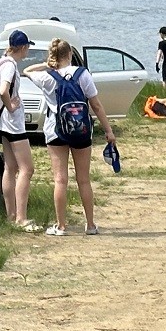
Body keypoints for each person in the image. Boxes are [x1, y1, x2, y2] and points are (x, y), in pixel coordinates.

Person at [24, 39, 117, 237]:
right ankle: (90, 225)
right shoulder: (83, 75)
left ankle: (61, 226)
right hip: (81, 130)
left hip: (55, 130)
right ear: (70, 55)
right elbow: (97, 106)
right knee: (84, 180)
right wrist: (108, 130)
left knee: (60, 180)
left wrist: (46, 65)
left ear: (53, 56)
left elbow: (26, 70)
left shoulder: (46, 77)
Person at [0, 29, 40, 232]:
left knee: (10, 168)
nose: (28, 50)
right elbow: (4, 90)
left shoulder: (2, 61)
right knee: (27, 169)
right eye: (27, 46)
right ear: (22, 47)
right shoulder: (10, 66)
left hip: (3, 122)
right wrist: (11, 106)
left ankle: (11, 215)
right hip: (13, 123)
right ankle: (21, 217)